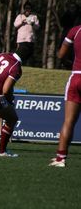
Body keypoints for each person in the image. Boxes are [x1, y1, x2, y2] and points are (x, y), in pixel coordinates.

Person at [49, 24, 81, 167]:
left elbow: (61, 54)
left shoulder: (75, 30)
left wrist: (68, 63)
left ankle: (60, 159)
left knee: (68, 121)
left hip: (76, 77)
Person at [13, 1, 40, 66]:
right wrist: (22, 21)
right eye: (26, 8)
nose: (28, 10)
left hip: (30, 39)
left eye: (29, 8)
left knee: (29, 53)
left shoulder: (34, 17)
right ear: (24, 9)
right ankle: (17, 65)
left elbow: (38, 27)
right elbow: (15, 25)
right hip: (21, 39)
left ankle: (28, 65)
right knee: (19, 54)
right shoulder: (20, 16)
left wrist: (33, 24)